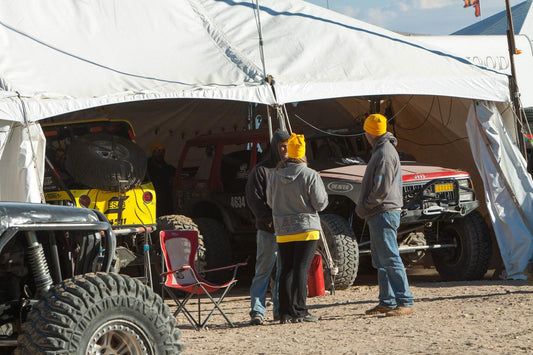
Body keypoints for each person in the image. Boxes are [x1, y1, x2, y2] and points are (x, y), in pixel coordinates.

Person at [355, 113, 415, 317]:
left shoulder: (384, 154)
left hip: (383, 211)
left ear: (369, 132)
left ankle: (404, 301)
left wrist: (363, 207)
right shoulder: (383, 151)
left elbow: (380, 189)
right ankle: (387, 301)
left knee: (389, 257)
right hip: (381, 212)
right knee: (382, 260)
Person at [267, 133, 328, 324]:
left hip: (283, 229)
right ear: (302, 153)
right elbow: (320, 204)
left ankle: (285, 312)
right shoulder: (310, 175)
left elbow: (270, 202)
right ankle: (300, 310)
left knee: (286, 269)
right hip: (306, 228)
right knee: (301, 268)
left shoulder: (274, 176)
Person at [246, 129, 290, 325]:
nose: (285, 150)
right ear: (274, 147)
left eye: (288, 146)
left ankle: (280, 310)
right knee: (263, 270)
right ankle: (257, 311)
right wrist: (269, 220)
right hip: (267, 229)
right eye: (282, 146)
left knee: (283, 271)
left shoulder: (292, 168)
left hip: (288, 230)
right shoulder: (261, 170)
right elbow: (254, 200)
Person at [147, 142, 176, 217]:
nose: (160, 154)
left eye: (162, 151)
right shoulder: (147, 167)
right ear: (153, 153)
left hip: (165, 198)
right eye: (158, 151)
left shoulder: (168, 167)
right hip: (152, 197)